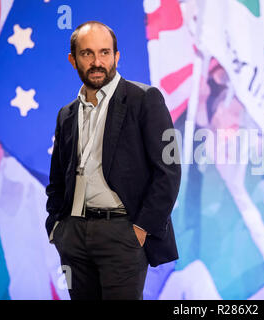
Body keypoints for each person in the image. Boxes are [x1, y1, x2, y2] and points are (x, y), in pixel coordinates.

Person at [45, 21, 181, 300]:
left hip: (123, 233)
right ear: (73, 60)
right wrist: (57, 227)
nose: (97, 62)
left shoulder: (145, 100)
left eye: (105, 53)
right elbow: (58, 178)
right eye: (87, 54)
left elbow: (168, 172)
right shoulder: (66, 115)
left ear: (116, 57)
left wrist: (140, 230)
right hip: (73, 236)